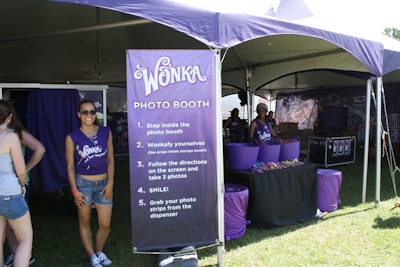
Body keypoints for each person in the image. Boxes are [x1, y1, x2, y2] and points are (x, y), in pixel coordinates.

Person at [65, 99, 114, 267]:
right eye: (85, 112)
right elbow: (70, 166)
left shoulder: (105, 132)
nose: (89, 115)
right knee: (84, 221)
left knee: (105, 223)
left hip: (103, 184)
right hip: (83, 184)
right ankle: (92, 255)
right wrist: (74, 190)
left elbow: (110, 160)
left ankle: (99, 250)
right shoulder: (72, 137)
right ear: (79, 114)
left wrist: (110, 183)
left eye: (92, 112)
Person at [4, 100, 45, 267]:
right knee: (13, 227)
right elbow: (40, 148)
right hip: (14, 185)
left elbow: (39, 149)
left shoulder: (16, 133)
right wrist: (24, 171)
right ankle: (17, 254)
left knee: (13, 227)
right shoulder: (14, 134)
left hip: (17, 184)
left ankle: (21, 255)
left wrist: (25, 170)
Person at [0, 100, 33, 267]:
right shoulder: (11, 137)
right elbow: (21, 171)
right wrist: (22, 184)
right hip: (10, 193)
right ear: (9, 117)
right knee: (25, 240)